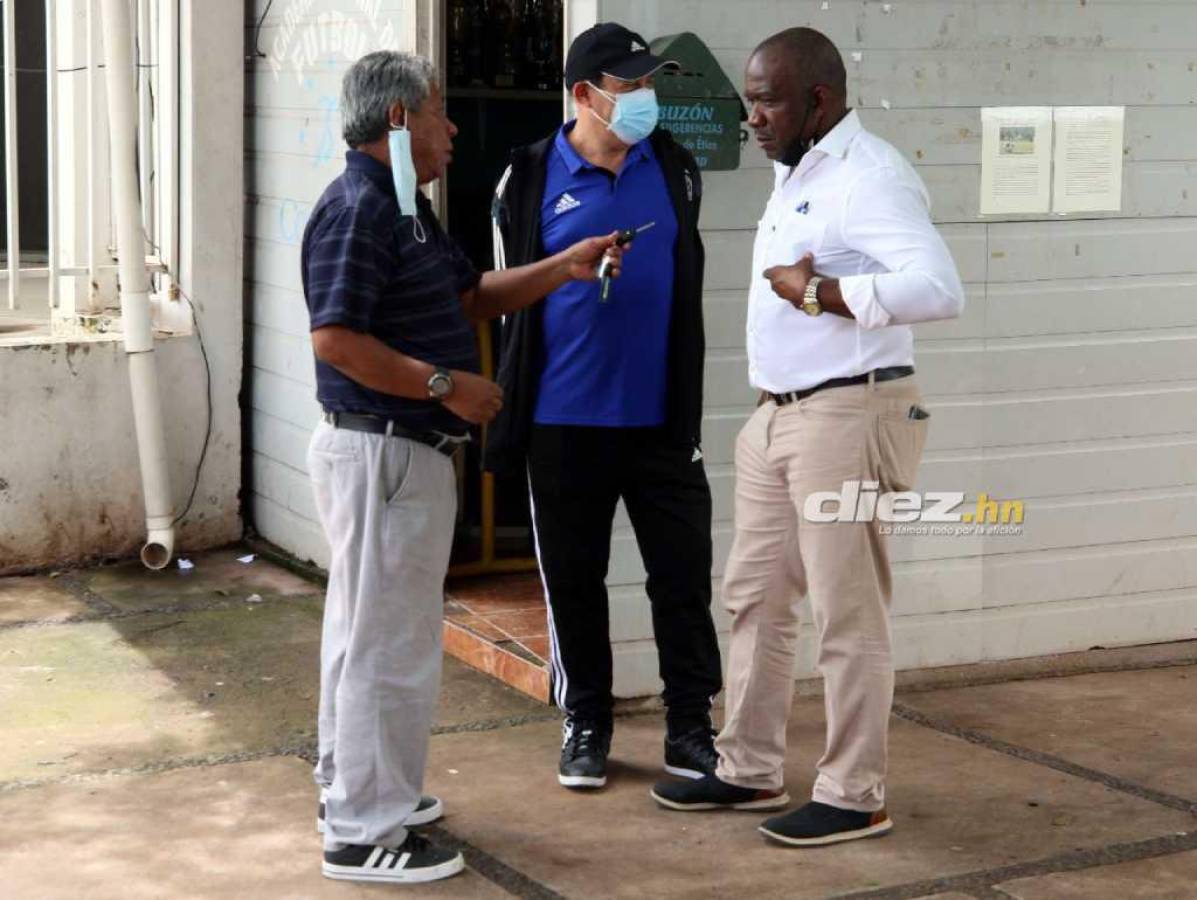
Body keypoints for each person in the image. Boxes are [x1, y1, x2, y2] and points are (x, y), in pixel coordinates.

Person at [302, 50, 626, 884]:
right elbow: (336, 340)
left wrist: (562, 265)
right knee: (386, 645)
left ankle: (357, 788)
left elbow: (470, 296)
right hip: (383, 448)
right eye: (441, 113)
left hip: (401, 452)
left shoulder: (404, 209)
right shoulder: (356, 212)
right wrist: (447, 386)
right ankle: (362, 831)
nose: (453, 129)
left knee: (364, 634)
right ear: (400, 120)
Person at [651, 27, 964, 847]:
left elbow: (937, 288)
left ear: (817, 100)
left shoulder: (868, 175)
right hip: (780, 416)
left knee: (846, 612)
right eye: (749, 100)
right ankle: (748, 766)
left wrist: (822, 293)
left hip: (848, 414)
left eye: (766, 100)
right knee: (754, 598)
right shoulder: (798, 171)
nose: (751, 116)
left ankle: (855, 792)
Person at [485, 22, 723, 790]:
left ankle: (691, 725)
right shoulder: (523, 181)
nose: (646, 99)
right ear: (583, 95)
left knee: (681, 580)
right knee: (575, 582)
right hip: (563, 420)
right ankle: (585, 719)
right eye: (630, 87)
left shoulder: (676, 169)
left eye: (651, 84)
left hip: (659, 419)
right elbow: (505, 299)